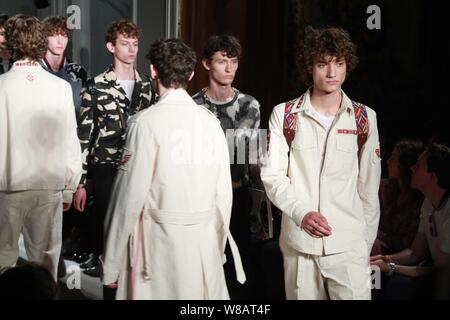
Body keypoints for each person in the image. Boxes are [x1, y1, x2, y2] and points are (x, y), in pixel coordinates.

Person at [101, 38, 245, 300]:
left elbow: (128, 198)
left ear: (154, 71)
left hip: (157, 249)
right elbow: (224, 195)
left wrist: (110, 264)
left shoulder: (144, 123)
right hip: (202, 247)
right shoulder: (210, 123)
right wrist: (218, 247)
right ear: (191, 74)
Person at [261, 26, 381, 300]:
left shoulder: (364, 118)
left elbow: (369, 189)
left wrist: (363, 245)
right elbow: (273, 176)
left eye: (339, 64)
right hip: (300, 247)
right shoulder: (285, 114)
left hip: (349, 247)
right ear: (309, 67)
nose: (331, 72)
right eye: (322, 64)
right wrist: (302, 212)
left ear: (346, 65)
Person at [0, 15, 82, 280]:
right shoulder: (59, 87)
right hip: (49, 185)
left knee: (2, 260)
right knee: (45, 264)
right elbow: (71, 140)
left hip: (6, 186)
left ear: (10, 43)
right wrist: (70, 187)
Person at [73, 20, 154, 277]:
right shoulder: (95, 87)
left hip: (139, 167)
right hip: (105, 168)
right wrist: (81, 182)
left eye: (135, 44)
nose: (131, 50)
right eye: (124, 43)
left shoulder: (148, 88)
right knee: (108, 228)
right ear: (111, 46)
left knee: (137, 228)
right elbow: (84, 137)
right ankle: (107, 272)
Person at [192, 34, 261, 299]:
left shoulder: (249, 105)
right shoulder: (194, 106)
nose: (229, 68)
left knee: (238, 266)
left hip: (238, 196)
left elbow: (250, 155)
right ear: (207, 64)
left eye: (233, 61)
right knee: (204, 265)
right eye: (222, 61)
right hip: (202, 198)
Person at [41, 16, 89, 277]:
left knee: (65, 211)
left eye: (64, 35)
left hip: (71, 146)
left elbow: (84, 114)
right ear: (44, 38)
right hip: (42, 149)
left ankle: (54, 269)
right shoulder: (34, 71)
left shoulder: (77, 72)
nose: (59, 40)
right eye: (54, 34)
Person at [371, 143, 450, 300]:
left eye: (419, 165)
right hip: (427, 268)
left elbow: (439, 270)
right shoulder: (428, 203)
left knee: (399, 285)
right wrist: (384, 260)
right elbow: (415, 251)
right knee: (373, 272)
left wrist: (391, 266)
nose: (412, 168)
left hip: (440, 275)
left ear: (432, 176)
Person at [372, 139, 425, 256]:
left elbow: (408, 241)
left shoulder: (420, 199)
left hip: (401, 257)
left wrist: (380, 237)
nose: (388, 161)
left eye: (394, 159)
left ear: (405, 165)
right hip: (378, 247)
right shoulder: (386, 188)